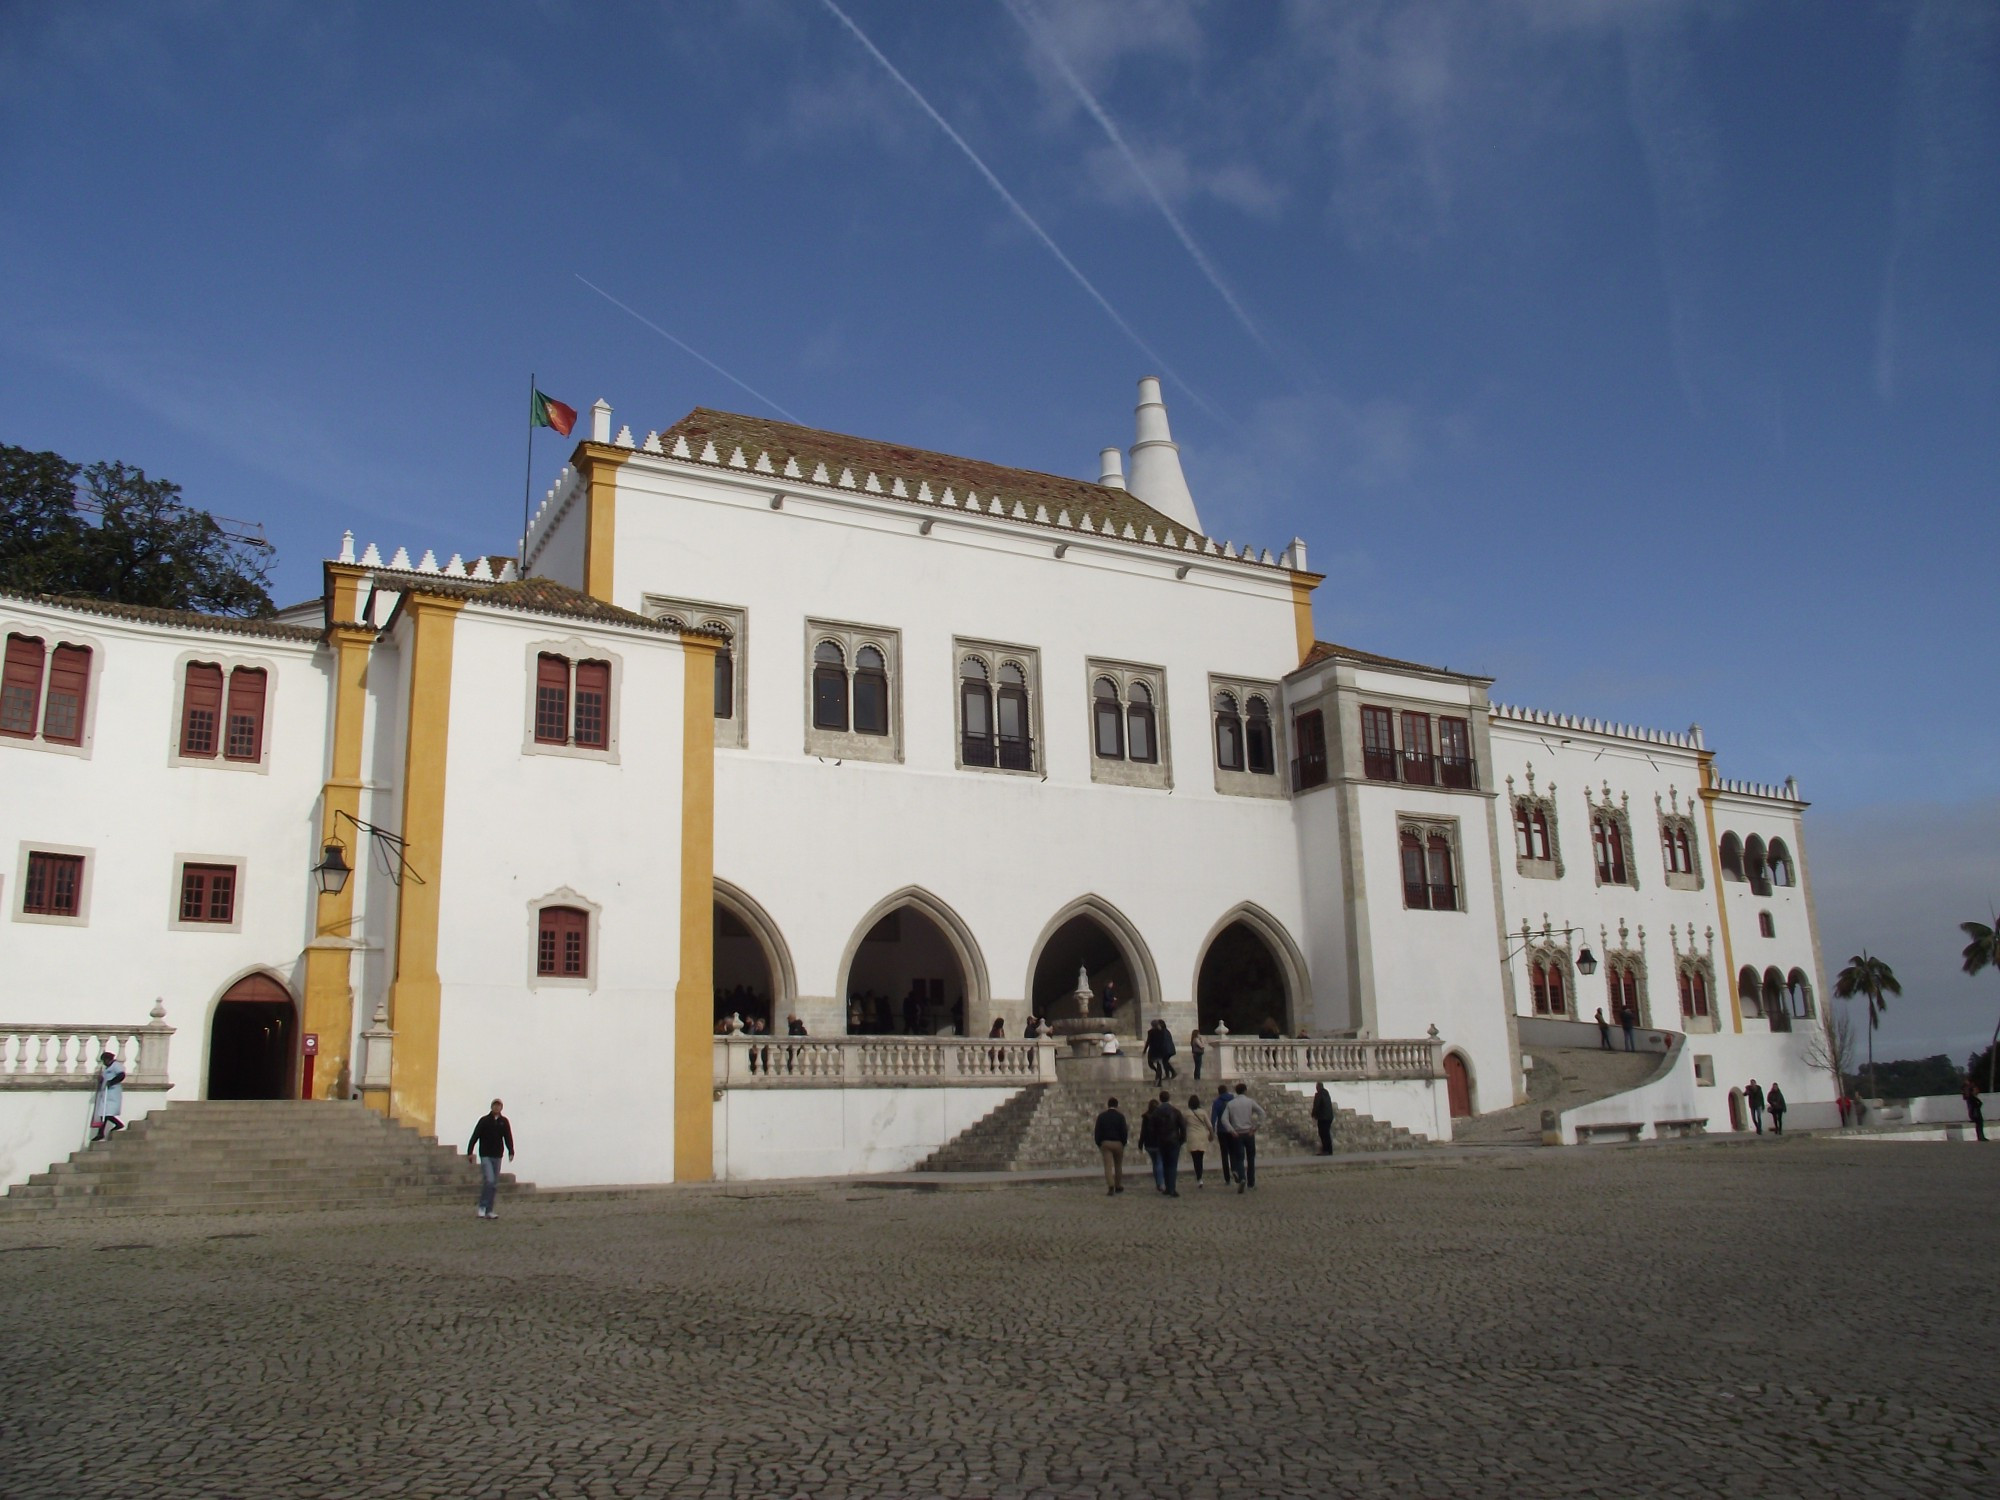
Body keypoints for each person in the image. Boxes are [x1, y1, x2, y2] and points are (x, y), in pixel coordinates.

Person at [466, 1099, 515, 1219]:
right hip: (485, 1155)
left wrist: (511, 1151)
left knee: (494, 1184)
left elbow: (508, 1137)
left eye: (499, 1106)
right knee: (489, 1180)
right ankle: (482, 1207)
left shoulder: (504, 1122)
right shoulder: (484, 1121)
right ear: (491, 1107)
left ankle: (489, 1209)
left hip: (497, 1155)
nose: (497, 1108)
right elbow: (475, 1136)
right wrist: (470, 1151)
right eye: (495, 1105)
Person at [1221, 1083, 1266, 1191]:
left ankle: (1242, 1178)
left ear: (1236, 1091)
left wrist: (1231, 1130)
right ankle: (1251, 1183)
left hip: (1237, 1133)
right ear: (1245, 1090)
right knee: (1251, 1158)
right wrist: (1256, 1127)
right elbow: (1262, 1113)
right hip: (1248, 1132)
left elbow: (1224, 1119)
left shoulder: (1231, 1104)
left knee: (1239, 1158)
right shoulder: (1250, 1101)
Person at [1150, 1091, 1185, 1197]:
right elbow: (1182, 1127)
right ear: (1169, 1098)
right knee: (1172, 1165)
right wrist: (1181, 1140)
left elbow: (1151, 1128)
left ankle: (1167, 1187)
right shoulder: (1175, 1111)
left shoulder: (1156, 1112)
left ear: (1160, 1099)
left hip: (1162, 1141)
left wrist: (1156, 1139)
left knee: (1165, 1164)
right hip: (1174, 1141)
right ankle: (1172, 1188)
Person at [90, 1050, 127, 1142]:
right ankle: (101, 1132)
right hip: (106, 1093)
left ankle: (103, 1131)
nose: (104, 1063)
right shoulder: (107, 1069)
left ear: (108, 1059)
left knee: (106, 1113)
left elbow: (121, 1075)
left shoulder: (116, 1066)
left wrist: (111, 1082)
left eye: (104, 1061)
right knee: (104, 1113)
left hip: (112, 1093)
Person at [1094, 1096, 1128, 1195]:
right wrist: (1123, 1142)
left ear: (1108, 1105)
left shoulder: (1102, 1116)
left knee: (1108, 1166)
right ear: (1117, 1105)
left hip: (1105, 1143)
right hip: (1118, 1143)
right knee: (1118, 1166)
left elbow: (1097, 1131)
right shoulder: (1120, 1116)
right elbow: (1124, 1131)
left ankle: (1110, 1185)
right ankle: (1118, 1185)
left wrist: (1099, 1143)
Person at [1184, 1093, 1212, 1187]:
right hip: (1202, 1136)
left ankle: (1199, 1177)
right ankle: (1200, 1177)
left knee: (1195, 1159)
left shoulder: (1186, 1113)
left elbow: (1183, 1126)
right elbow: (1209, 1126)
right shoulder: (1203, 1112)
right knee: (1200, 1157)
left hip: (1192, 1136)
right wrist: (1211, 1134)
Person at [1211, 1084, 1235, 1184]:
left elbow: (1213, 1117)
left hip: (1222, 1130)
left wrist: (1212, 1129)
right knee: (1233, 1152)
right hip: (1233, 1129)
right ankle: (1235, 1171)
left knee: (1224, 1154)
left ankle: (1227, 1178)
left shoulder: (1217, 1102)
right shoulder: (1233, 1099)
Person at [1310, 1082, 1335, 1156]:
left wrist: (1313, 1114)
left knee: (1323, 1133)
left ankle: (1325, 1150)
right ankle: (1329, 1150)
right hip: (1329, 1117)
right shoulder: (1327, 1094)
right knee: (1327, 1133)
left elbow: (1316, 1105)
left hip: (1322, 1117)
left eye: (1316, 1087)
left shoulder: (1319, 1094)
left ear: (1318, 1087)